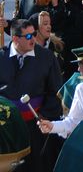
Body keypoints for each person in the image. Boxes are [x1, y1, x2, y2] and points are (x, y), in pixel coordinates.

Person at [0, 19, 63, 172]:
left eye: (34, 34)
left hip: (35, 126)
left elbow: (56, 92)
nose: (33, 39)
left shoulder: (47, 57)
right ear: (15, 39)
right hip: (6, 128)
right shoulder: (1, 57)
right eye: (28, 37)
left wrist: (44, 116)